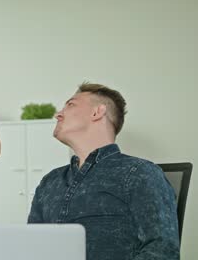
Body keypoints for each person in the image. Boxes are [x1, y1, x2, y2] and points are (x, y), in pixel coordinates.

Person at [28, 83, 180, 260]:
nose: (58, 114)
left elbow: (163, 250)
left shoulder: (140, 173)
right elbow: (32, 247)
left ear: (97, 112)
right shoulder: (50, 181)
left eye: (70, 105)